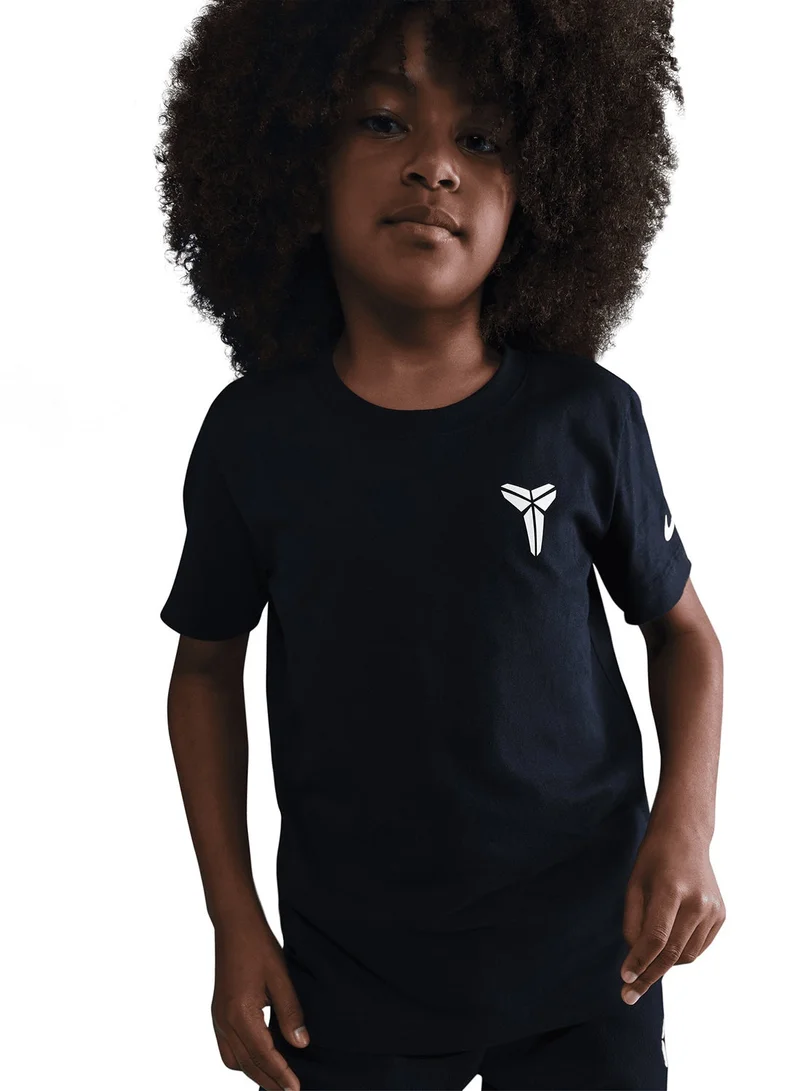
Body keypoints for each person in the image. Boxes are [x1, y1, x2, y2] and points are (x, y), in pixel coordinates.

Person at [157, 2, 725, 1088]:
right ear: (295, 152)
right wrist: (234, 920)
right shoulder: (254, 438)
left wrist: (684, 825)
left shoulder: (586, 418)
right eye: (383, 120)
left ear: (547, 183)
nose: (434, 166)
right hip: (349, 975)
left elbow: (686, 634)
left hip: (585, 961)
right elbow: (204, 671)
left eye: (481, 137)